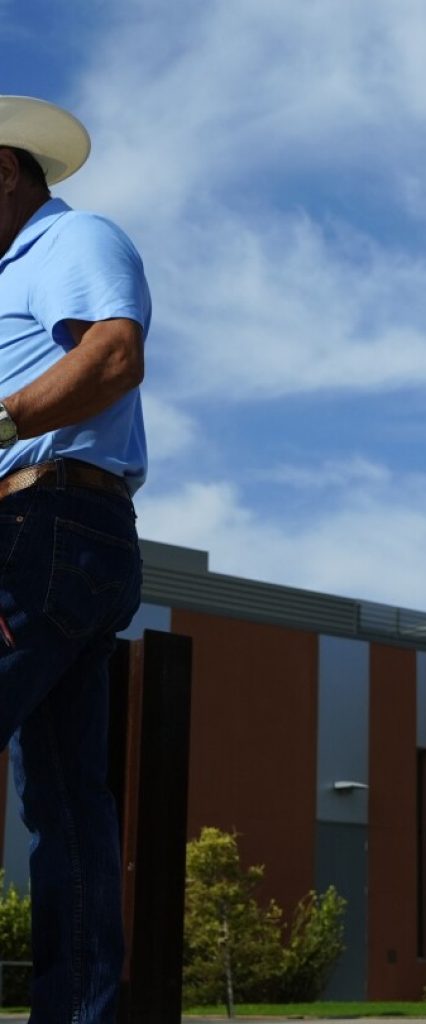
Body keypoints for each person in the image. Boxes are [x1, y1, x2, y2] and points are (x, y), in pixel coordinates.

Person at [0, 95, 150, 1022]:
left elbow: (114, 354)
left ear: (5, 169)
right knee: (63, 801)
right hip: (59, 534)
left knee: (67, 804)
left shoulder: (73, 240)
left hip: (49, 526)